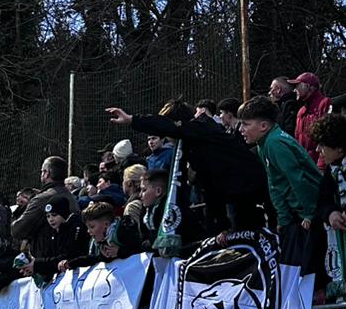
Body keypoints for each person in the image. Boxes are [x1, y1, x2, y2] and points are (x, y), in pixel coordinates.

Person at [105, 100, 268, 235]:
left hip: (248, 190)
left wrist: (132, 120)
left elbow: (168, 126)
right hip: (236, 193)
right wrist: (221, 226)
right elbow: (210, 184)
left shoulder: (200, 130)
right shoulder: (196, 142)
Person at [237, 98, 323, 230]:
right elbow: (274, 182)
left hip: (310, 210)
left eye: (245, 124)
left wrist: (310, 213)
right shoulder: (263, 143)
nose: (240, 129)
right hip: (296, 212)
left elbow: (297, 179)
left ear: (263, 126)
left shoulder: (275, 143)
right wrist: (283, 218)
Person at [10, 157, 71, 258]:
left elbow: (18, 230)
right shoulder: (71, 196)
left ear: (46, 173)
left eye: (42, 171)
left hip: (45, 259)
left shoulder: (42, 199)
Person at [291, 73, 331, 158]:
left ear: (308, 86)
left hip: (319, 160)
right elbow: (297, 138)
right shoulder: (301, 111)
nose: (294, 90)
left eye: (297, 86)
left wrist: (321, 163)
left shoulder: (324, 104)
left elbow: (327, 137)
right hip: (304, 161)